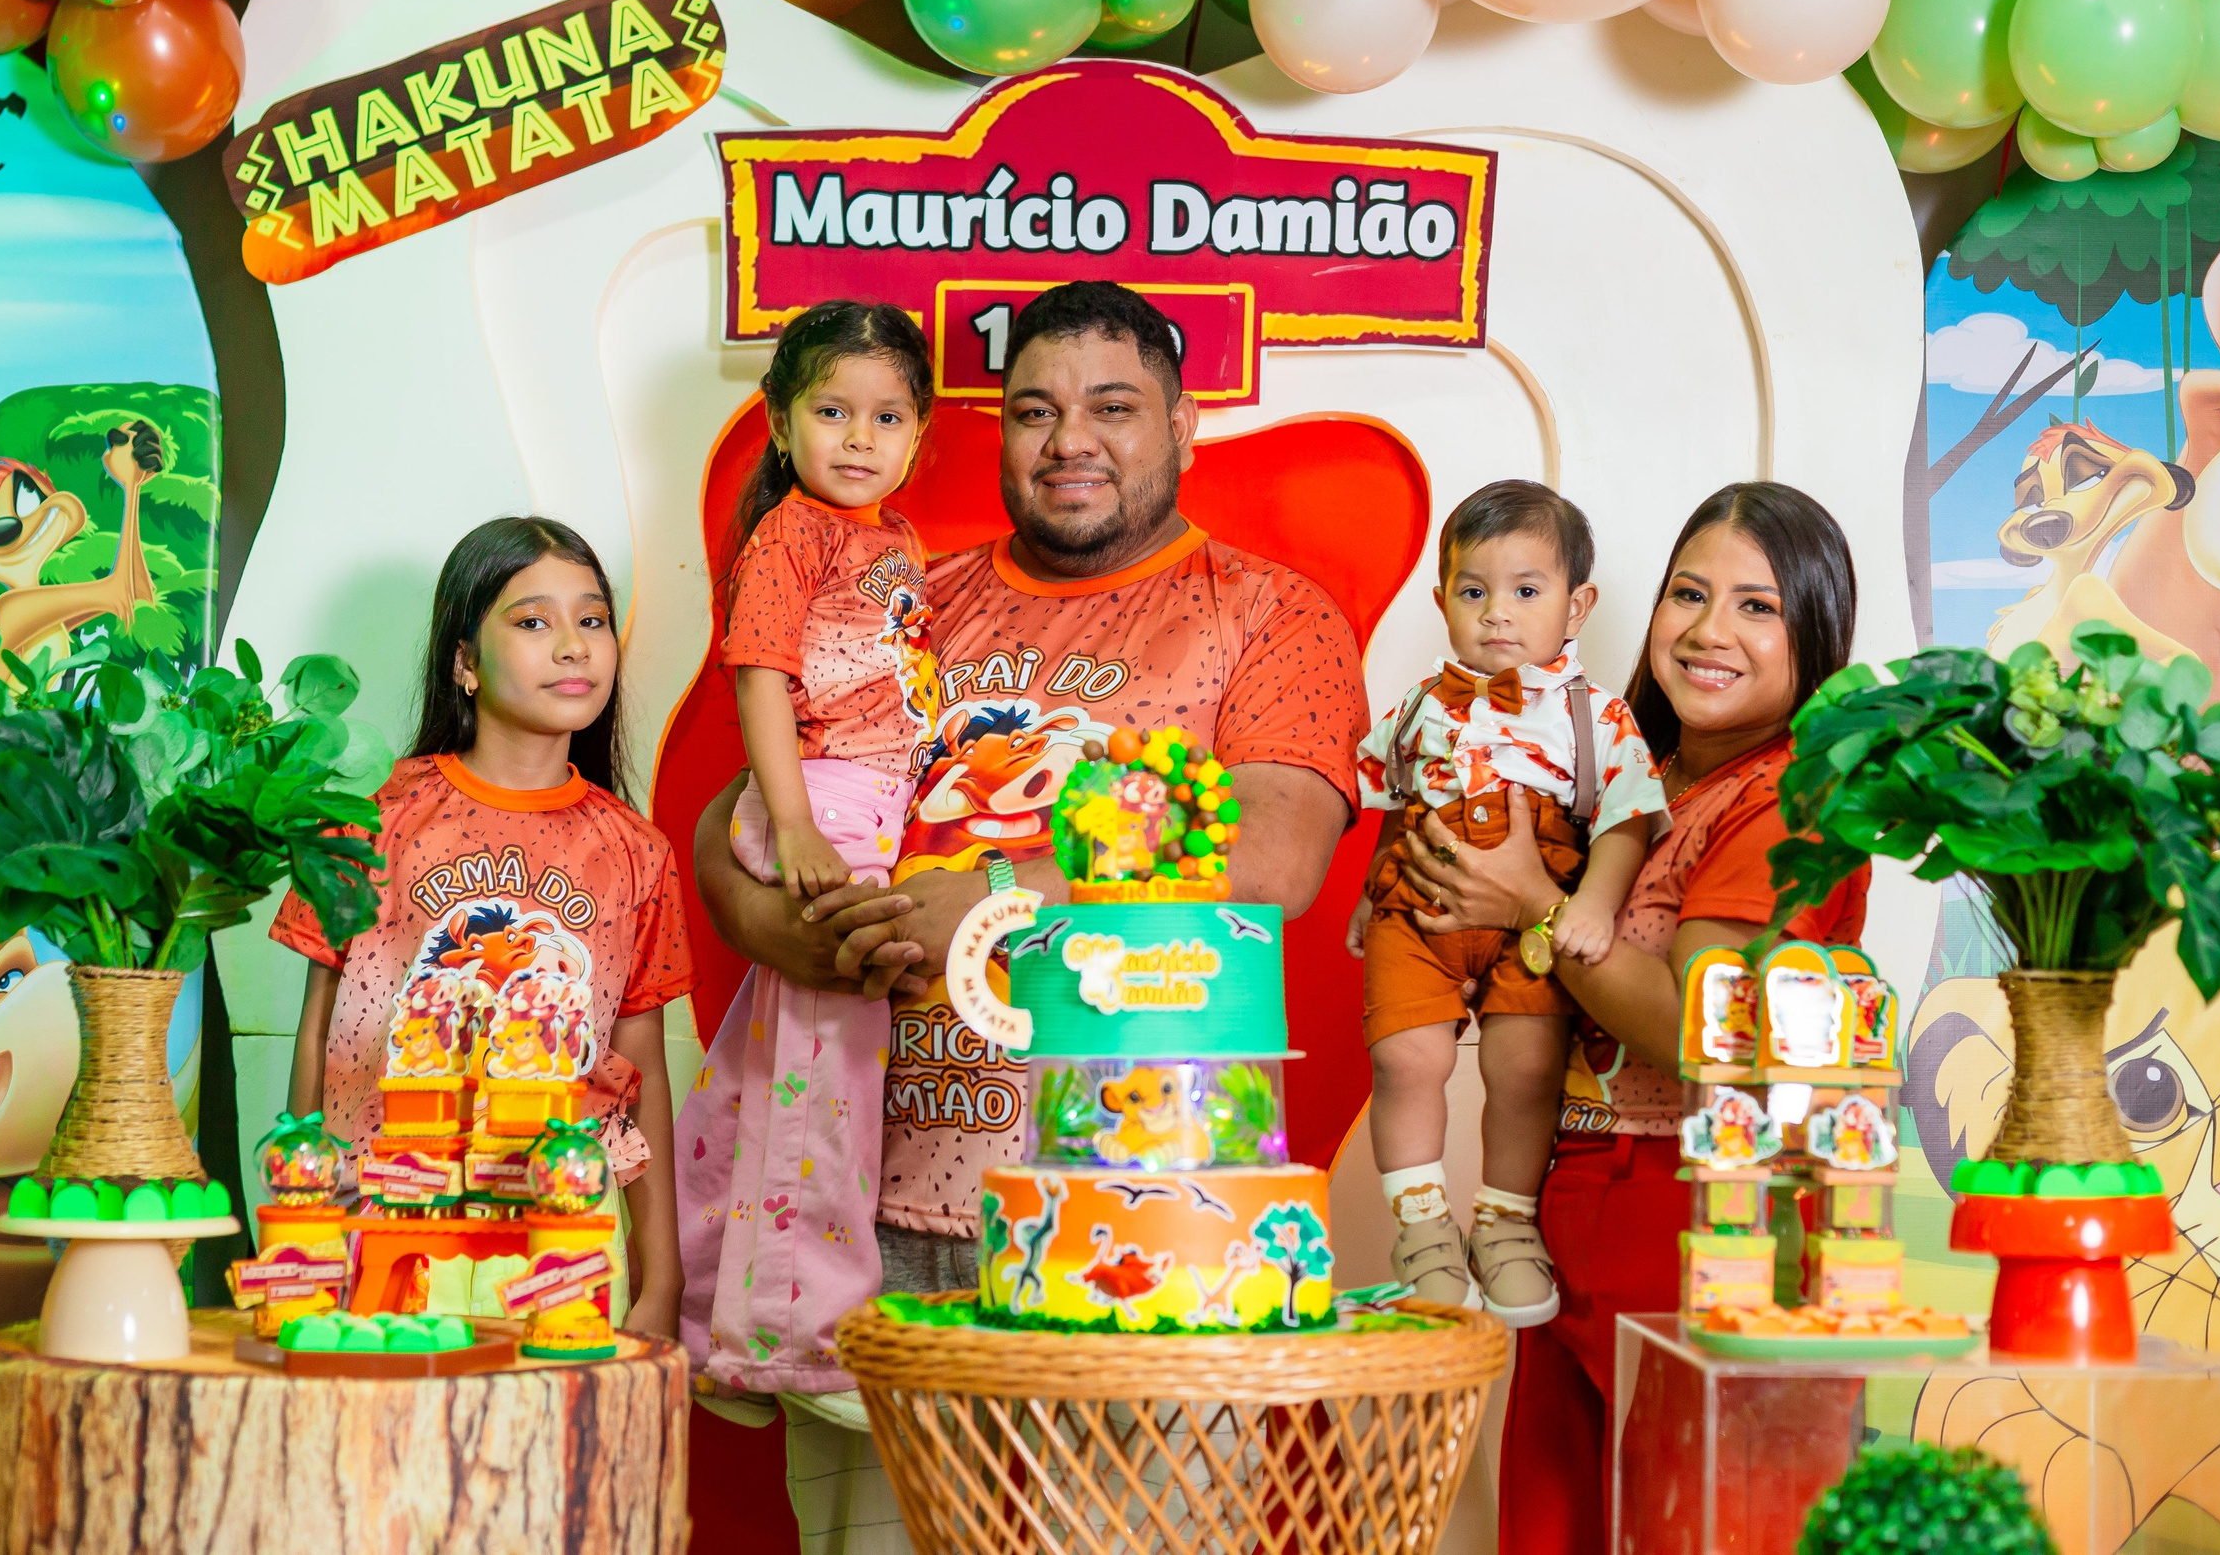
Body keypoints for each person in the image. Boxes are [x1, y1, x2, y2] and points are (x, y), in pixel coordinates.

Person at [688, 280, 1370, 1542]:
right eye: (1033, 411)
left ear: (1183, 422)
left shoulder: (1267, 612)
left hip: (1139, 1223)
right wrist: (786, 924)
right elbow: (737, 812)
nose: (1070, 441)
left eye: (1112, 408)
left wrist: (996, 906)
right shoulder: (911, 594)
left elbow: (1272, 860)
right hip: (873, 1220)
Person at [1386, 481, 1865, 1555]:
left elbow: (1709, 1031)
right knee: (1557, 1529)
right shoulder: (1616, 780)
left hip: (1700, 1211)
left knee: (1705, 1525)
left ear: (1818, 635)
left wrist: (1528, 904)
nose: (1707, 631)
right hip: (1564, 1203)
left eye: (1758, 607)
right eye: (1689, 593)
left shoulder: (1788, 799)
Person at [277, 516, 689, 1339]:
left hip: (562, 1238)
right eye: (533, 620)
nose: (574, 645)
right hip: (385, 1226)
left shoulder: (637, 851)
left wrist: (663, 1276)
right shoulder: (372, 815)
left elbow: (641, 1066)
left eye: (593, 618)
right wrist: (299, 1221)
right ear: (463, 661)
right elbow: (317, 1030)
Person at [679, 301, 938, 1418]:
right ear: (782, 425)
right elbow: (760, 677)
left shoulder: (896, 544)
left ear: (919, 432)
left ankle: (714, 1326)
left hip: (865, 805)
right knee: (827, 1080)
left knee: (756, 1077)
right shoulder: (794, 530)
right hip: (819, 806)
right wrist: (791, 828)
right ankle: (803, 1340)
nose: (859, 437)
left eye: (886, 415)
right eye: (831, 411)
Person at [1348, 480, 1665, 1324]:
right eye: (1474, 591)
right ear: (1442, 600)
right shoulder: (1416, 705)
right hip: (1415, 911)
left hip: (1537, 917)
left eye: (1526, 591)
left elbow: (1628, 818)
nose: (1497, 613)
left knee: (1523, 1069)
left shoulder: (1594, 715)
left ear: (1576, 606)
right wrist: (1367, 894)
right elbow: (1391, 805)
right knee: (1405, 1059)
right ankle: (1420, 1224)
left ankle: (1505, 1222)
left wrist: (1592, 904)